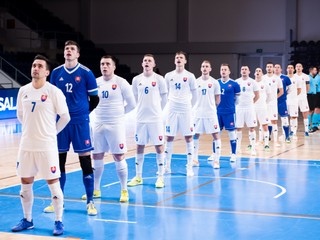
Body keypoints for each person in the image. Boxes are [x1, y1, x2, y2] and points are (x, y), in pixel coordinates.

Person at [11, 55, 70, 236]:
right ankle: (28, 220)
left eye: (39, 66)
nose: (35, 68)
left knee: (53, 184)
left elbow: (65, 117)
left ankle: (58, 221)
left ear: (47, 72)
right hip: (26, 146)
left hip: (47, 147)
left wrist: (52, 133)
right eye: (33, 65)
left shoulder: (54, 92)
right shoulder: (23, 91)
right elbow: (20, 115)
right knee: (25, 184)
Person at [44, 40, 99, 216]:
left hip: (80, 123)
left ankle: (90, 202)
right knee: (58, 163)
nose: (68, 51)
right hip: (61, 123)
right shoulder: (56, 72)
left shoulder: (86, 73)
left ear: (78, 54)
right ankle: (58, 201)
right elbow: (51, 97)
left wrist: (84, 113)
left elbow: (95, 99)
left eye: (72, 49)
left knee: (85, 162)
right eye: (66, 48)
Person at [81, 55, 136, 202]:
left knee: (118, 156)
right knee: (96, 156)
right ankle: (96, 189)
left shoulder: (121, 82)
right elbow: (88, 102)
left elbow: (132, 104)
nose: (104, 66)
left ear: (114, 66)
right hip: (98, 125)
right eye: (102, 64)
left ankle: (124, 190)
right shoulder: (95, 82)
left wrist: (118, 115)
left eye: (107, 64)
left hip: (115, 125)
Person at [128, 54, 167, 188]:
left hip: (155, 119)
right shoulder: (136, 79)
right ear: (142, 63)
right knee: (139, 146)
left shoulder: (160, 79)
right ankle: (138, 176)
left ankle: (160, 177)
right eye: (145, 60)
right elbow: (134, 98)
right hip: (140, 119)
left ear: (154, 64)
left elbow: (164, 98)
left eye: (149, 61)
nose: (147, 62)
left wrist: (157, 111)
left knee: (159, 146)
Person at [164, 51, 197, 176]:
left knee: (188, 137)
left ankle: (189, 167)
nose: (178, 59)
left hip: (185, 109)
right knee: (169, 137)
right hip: (172, 109)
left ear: (185, 61)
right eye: (177, 57)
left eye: (181, 57)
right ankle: (167, 166)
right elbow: (165, 92)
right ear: (174, 60)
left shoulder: (190, 76)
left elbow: (195, 94)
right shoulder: (168, 76)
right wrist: (170, 102)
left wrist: (189, 106)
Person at [193, 60, 221, 168]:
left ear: (210, 69)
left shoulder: (214, 82)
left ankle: (216, 160)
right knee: (195, 135)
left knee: (215, 135)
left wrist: (212, 107)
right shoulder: (196, 82)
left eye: (207, 66)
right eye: (203, 66)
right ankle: (195, 159)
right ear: (201, 69)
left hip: (210, 114)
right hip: (198, 113)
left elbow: (218, 98)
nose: (204, 68)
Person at [215, 63, 240, 162]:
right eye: (222, 69)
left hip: (229, 113)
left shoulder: (234, 84)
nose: (223, 71)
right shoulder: (216, 83)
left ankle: (233, 154)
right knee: (216, 134)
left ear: (229, 71)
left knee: (232, 133)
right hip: (218, 112)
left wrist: (231, 106)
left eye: (225, 69)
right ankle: (215, 153)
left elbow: (237, 100)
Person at [235, 66, 259, 156]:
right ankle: (238, 148)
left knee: (252, 127)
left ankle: (253, 148)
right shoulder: (236, 82)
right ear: (240, 71)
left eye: (245, 69)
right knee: (238, 128)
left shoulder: (253, 82)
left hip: (249, 108)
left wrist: (251, 103)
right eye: (242, 69)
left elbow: (257, 95)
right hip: (239, 108)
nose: (244, 71)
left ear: (249, 71)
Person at [262, 62, 283, 146]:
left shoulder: (277, 78)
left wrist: (274, 98)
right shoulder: (262, 78)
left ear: (273, 68)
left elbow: (281, 91)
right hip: (263, 103)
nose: (269, 68)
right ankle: (262, 140)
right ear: (266, 68)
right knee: (263, 121)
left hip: (273, 103)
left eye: (271, 67)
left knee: (274, 121)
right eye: (268, 67)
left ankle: (275, 141)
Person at [254, 68, 271, 150]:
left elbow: (269, 96)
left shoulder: (265, 84)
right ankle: (252, 144)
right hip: (253, 108)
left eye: (259, 71)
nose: (258, 72)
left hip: (262, 107)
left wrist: (264, 103)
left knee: (264, 125)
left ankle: (266, 144)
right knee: (252, 126)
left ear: (262, 74)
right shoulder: (251, 83)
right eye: (256, 71)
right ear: (254, 73)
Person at [274, 63, 292, 143]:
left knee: (284, 119)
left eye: (278, 67)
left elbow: (289, 89)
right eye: (275, 67)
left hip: (282, 101)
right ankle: (268, 138)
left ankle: (287, 136)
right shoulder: (268, 78)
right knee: (271, 120)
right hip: (271, 102)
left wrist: (283, 95)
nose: (276, 69)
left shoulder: (285, 78)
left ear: (281, 69)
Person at [294, 63, 310, 136]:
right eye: (297, 66)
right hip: (295, 97)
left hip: (303, 97)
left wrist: (304, 94)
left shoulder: (306, 76)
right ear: (295, 68)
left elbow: (308, 87)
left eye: (300, 66)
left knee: (305, 114)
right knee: (294, 115)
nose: (298, 67)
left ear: (302, 68)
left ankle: (306, 131)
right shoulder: (293, 76)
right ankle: (293, 131)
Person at [286, 64, 301, 139]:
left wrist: (293, 96)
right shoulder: (283, 78)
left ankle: (293, 132)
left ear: (293, 69)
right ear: (286, 69)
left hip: (294, 100)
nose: (290, 69)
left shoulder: (297, 78)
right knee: (285, 117)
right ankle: (286, 134)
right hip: (285, 100)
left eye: (291, 68)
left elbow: (299, 90)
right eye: (289, 68)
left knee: (294, 116)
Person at [308, 66, 319, 132]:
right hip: (310, 95)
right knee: (310, 111)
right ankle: (308, 127)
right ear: (311, 70)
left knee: (312, 110)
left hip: (313, 95)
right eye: (315, 70)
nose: (316, 71)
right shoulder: (308, 77)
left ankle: (311, 126)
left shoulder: (313, 78)